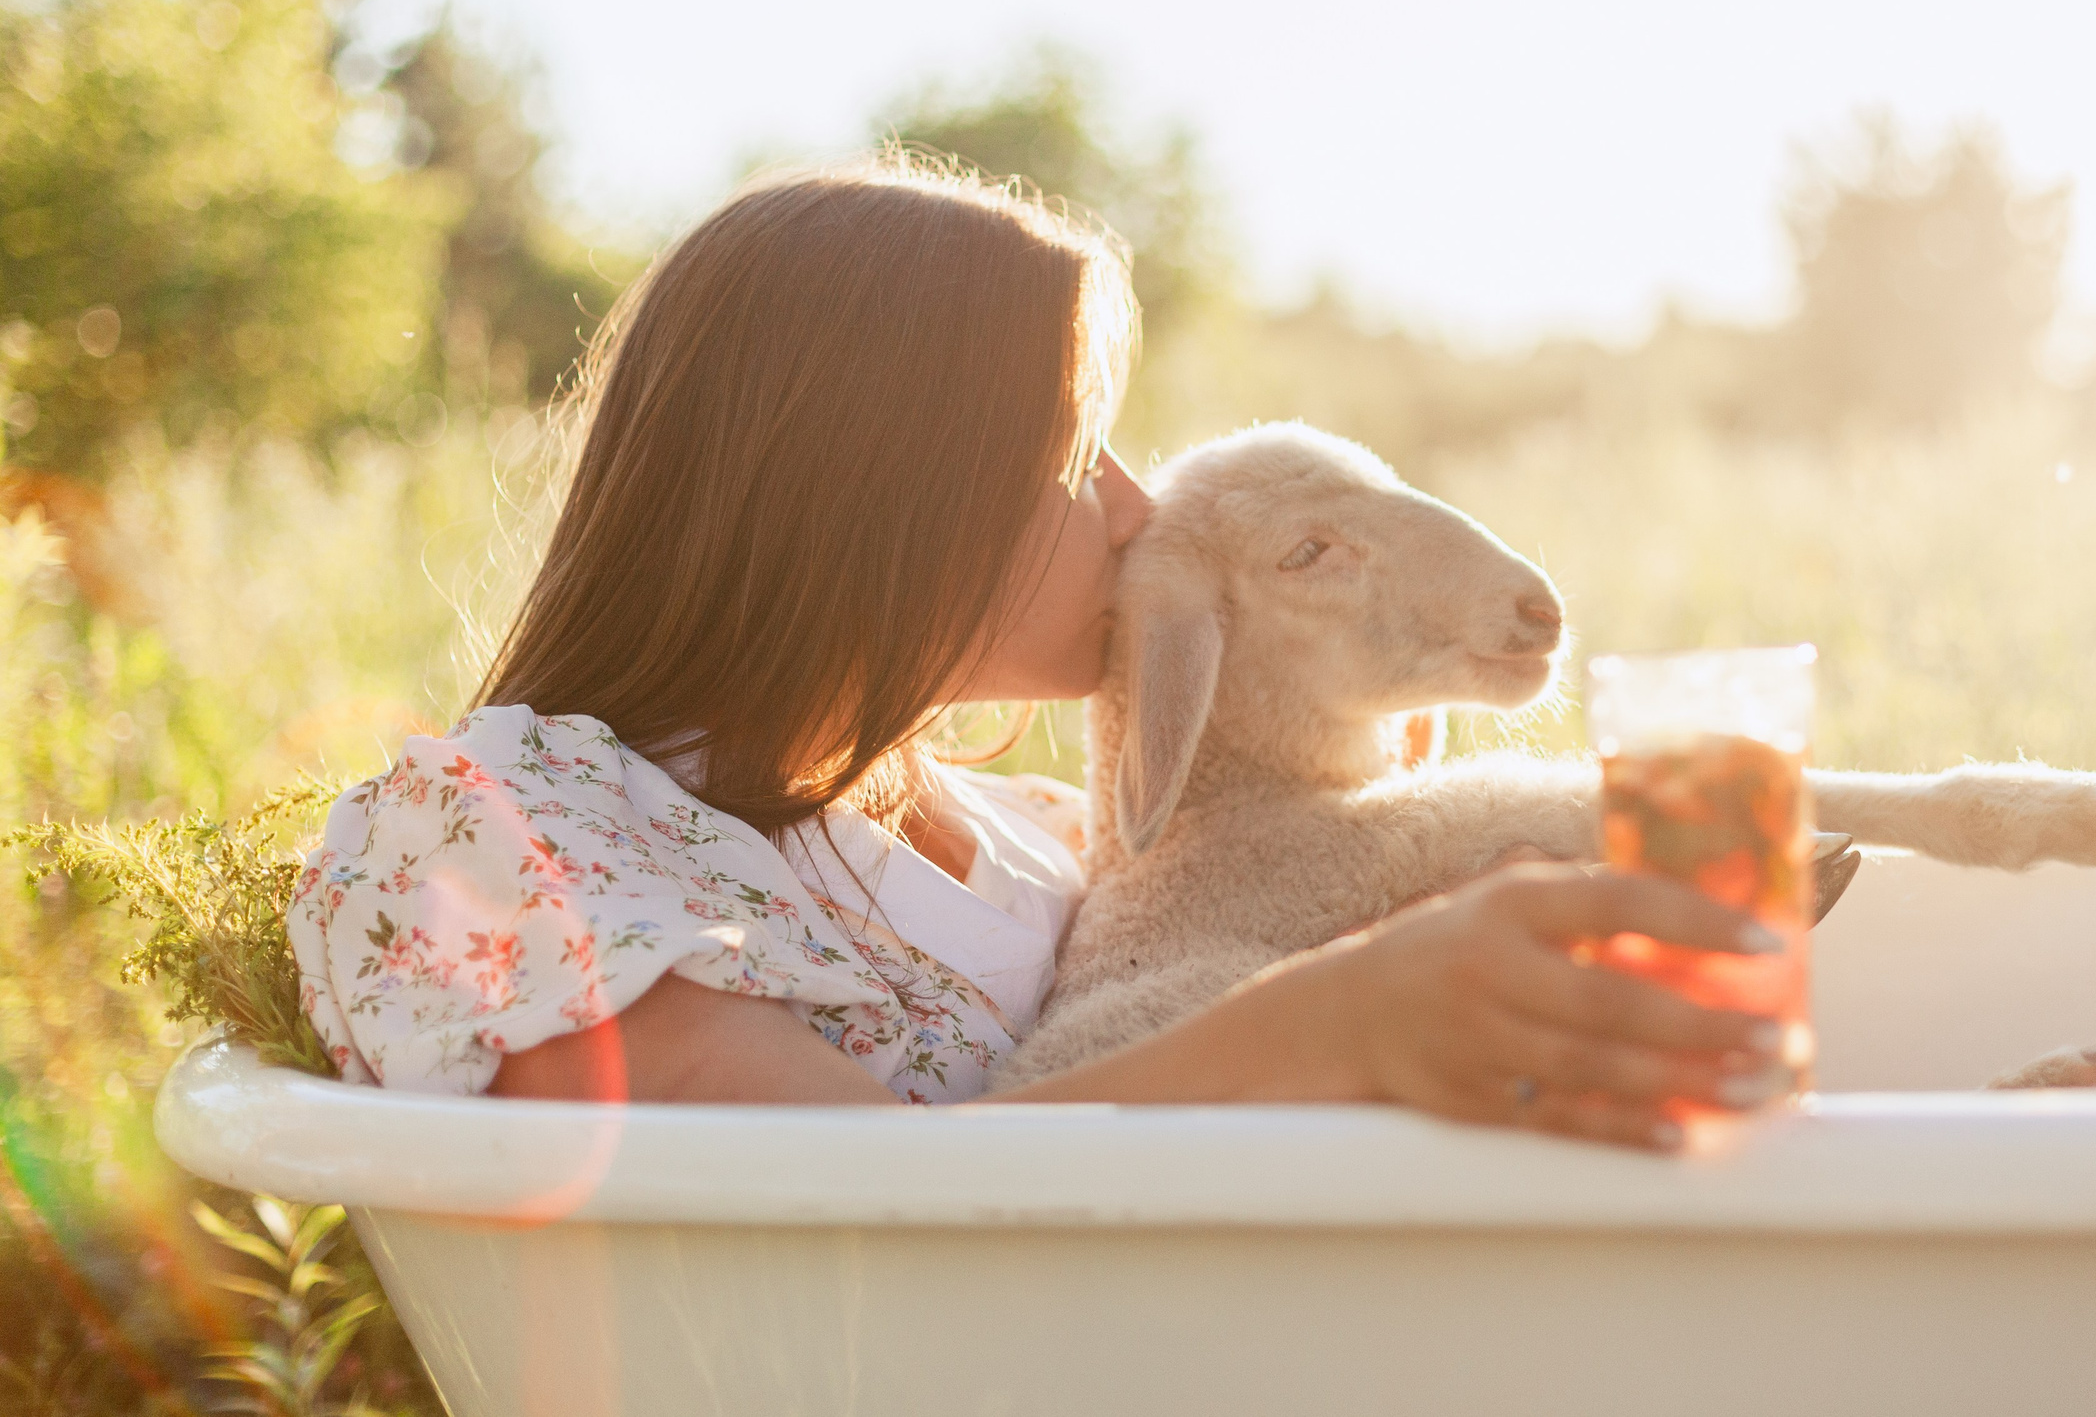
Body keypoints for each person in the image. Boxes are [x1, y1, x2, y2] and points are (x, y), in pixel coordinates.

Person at [287, 156, 1780, 1150]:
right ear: (875, 489)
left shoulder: (1039, 834)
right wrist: (1345, 1020)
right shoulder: (504, 829)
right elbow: (867, 1222)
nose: (1140, 510)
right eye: (1077, 455)